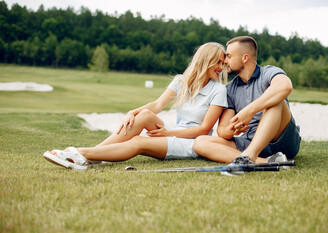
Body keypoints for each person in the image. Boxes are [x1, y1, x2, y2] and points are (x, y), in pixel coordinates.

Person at [43, 42, 228, 170]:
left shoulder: (219, 90)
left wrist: (168, 133)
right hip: (175, 132)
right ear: (205, 61)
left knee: (139, 142)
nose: (221, 67)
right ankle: (93, 156)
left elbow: (204, 130)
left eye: (223, 63)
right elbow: (157, 105)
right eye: (217, 62)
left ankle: (83, 153)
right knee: (146, 115)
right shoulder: (182, 81)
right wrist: (132, 112)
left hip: (192, 144)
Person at [193, 36, 301, 171]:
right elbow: (222, 130)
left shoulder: (268, 72)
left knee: (276, 101)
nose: (225, 61)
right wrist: (229, 130)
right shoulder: (229, 89)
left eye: (229, 56)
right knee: (200, 142)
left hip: (282, 140)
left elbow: (285, 87)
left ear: (244, 58)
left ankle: (248, 157)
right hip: (250, 141)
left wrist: (248, 111)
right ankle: (267, 161)